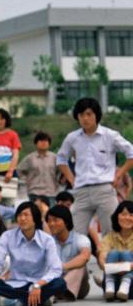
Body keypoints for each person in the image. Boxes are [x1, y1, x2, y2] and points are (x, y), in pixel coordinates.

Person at [56, 98, 133, 237]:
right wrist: (71, 179)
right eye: (81, 115)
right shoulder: (72, 138)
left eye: (89, 114)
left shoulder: (110, 135)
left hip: (104, 190)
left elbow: (131, 154)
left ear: (96, 115)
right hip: (81, 192)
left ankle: (110, 259)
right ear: (77, 117)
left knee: (112, 233)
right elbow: (61, 159)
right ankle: (81, 258)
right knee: (74, 234)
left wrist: (119, 174)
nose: (85, 118)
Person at [0, 201, 67, 306]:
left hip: (39, 284)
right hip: (15, 285)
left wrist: (37, 285)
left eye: (26, 215)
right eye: (19, 215)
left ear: (35, 219)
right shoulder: (7, 236)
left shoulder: (47, 240)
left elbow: (55, 269)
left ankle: (18, 301)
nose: (22, 218)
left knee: (60, 283)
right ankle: (39, 300)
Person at [45, 204, 91, 301]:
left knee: (80, 265)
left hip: (78, 287)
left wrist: (60, 267)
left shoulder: (80, 239)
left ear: (66, 222)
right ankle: (55, 292)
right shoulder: (47, 241)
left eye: (55, 220)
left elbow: (85, 257)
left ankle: (54, 291)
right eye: (49, 221)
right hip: (54, 280)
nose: (51, 224)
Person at [98, 200, 133, 302]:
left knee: (126, 253)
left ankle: (125, 286)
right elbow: (102, 259)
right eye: (123, 214)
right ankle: (110, 285)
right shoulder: (109, 237)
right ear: (117, 216)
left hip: (131, 284)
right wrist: (123, 266)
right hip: (111, 286)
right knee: (113, 253)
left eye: (131, 215)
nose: (127, 218)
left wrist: (121, 266)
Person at [17, 132, 61, 203]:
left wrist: (59, 180)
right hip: (34, 192)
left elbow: (61, 171)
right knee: (35, 213)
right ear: (36, 143)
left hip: (51, 192)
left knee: (50, 213)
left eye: (46, 141)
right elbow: (19, 170)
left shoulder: (54, 157)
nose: (43, 143)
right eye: (41, 141)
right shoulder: (30, 158)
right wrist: (26, 180)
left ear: (49, 143)